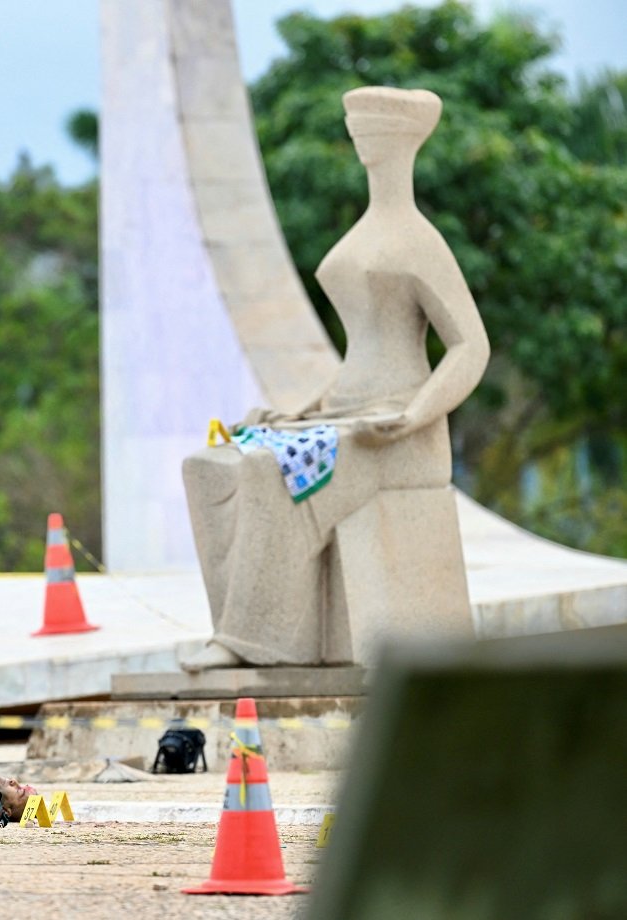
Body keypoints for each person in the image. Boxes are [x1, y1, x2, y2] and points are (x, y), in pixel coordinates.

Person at [181, 86, 490, 670]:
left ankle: (253, 640)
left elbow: (471, 345)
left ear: (405, 140)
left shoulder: (422, 242)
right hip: (340, 415)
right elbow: (357, 354)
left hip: (395, 435)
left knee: (272, 471)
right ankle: (248, 624)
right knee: (208, 465)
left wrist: (414, 416)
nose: (363, 139)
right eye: (358, 128)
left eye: (374, 129)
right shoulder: (363, 232)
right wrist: (300, 410)